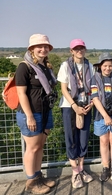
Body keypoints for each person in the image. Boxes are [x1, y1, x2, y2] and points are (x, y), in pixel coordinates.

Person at [16, 34, 57, 194]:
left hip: (45, 111)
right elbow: (21, 94)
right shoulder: (24, 67)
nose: (43, 49)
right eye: (39, 46)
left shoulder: (45, 67)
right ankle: (31, 181)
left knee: (40, 146)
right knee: (32, 148)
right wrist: (30, 116)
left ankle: (38, 176)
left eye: (46, 46)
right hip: (31, 113)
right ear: (32, 48)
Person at [57, 39, 94, 188]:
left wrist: (91, 103)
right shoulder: (65, 66)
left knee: (83, 138)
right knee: (71, 138)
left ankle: (81, 169)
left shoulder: (89, 66)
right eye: (76, 48)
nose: (79, 50)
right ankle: (75, 173)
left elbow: (92, 87)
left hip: (86, 105)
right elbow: (64, 89)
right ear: (71, 51)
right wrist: (74, 106)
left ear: (85, 50)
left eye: (82, 48)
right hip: (69, 106)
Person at [91, 53, 112, 182]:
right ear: (100, 66)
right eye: (105, 65)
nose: (107, 68)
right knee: (104, 141)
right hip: (101, 116)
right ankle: (106, 167)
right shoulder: (94, 79)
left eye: (110, 66)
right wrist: (105, 116)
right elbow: (95, 99)